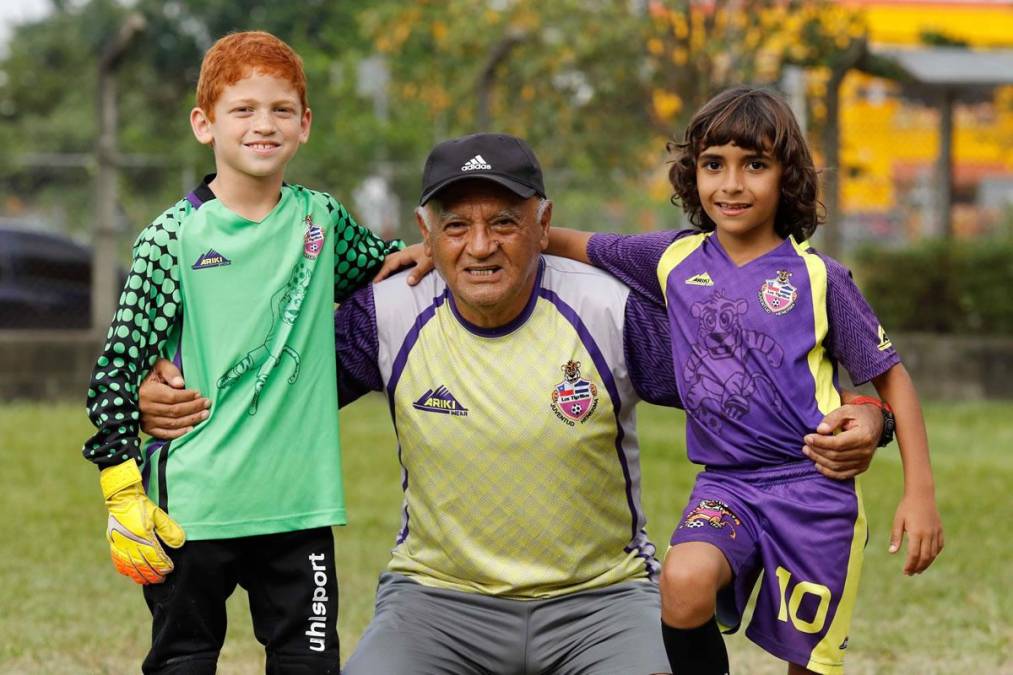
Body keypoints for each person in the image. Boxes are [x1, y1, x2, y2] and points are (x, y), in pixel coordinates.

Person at [139, 132, 888, 674]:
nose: (480, 245)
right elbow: (268, 386)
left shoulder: (607, 309)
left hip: (600, 602)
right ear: (425, 231)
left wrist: (869, 417)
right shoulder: (389, 312)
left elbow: (749, 379)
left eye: (503, 220)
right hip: (437, 602)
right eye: (456, 224)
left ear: (541, 221)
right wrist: (158, 382)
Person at [546, 87, 944, 675]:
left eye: (754, 165)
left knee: (806, 663)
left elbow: (894, 381)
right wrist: (435, 247)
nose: (731, 184)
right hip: (726, 486)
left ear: (787, 178)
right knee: (682, 582)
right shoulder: (671, 259)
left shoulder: (819, 278)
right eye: (714, 165)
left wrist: (920, 493)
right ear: (692, 175)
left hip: (815, 490)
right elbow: (568, 243)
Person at [81, 31, 410, 674]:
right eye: (243, 109)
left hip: (300, 506)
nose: (264, 124)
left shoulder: (323, 221)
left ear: (305, 124)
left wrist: (430, 254)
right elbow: (116, 372)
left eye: (281, 109)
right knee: (184, 660)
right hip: (195, 508)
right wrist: (122, 491)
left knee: (309, 663)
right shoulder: (170, 237)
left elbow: (382, 268)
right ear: (204, 124)